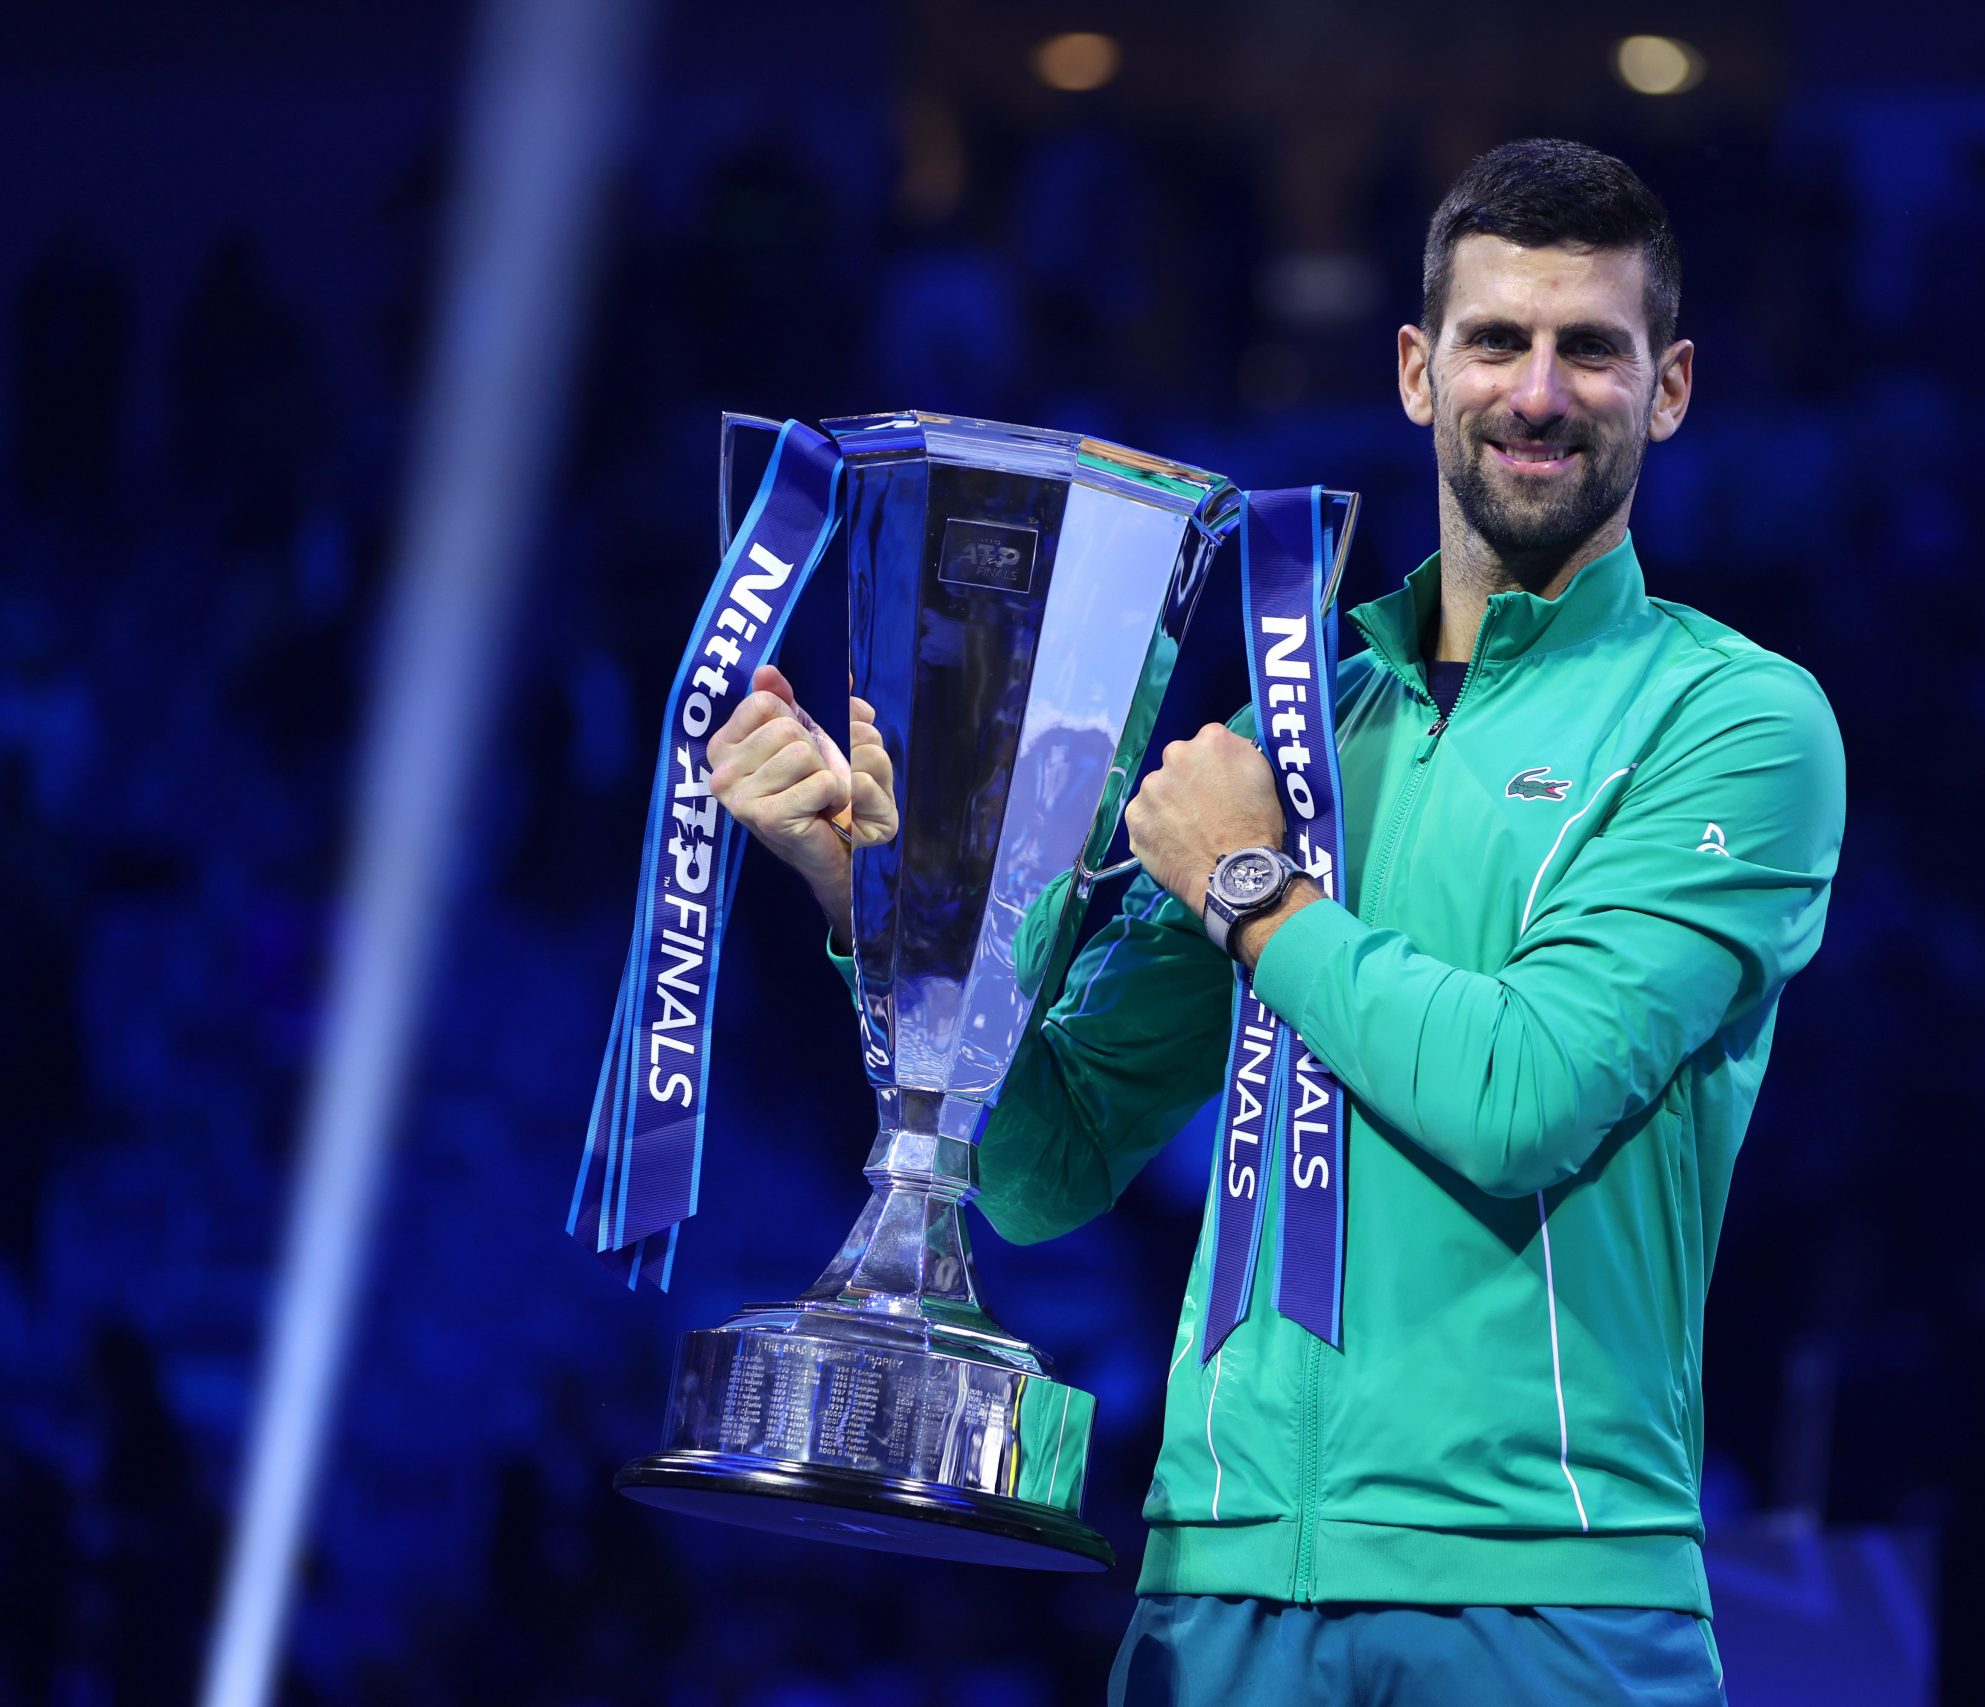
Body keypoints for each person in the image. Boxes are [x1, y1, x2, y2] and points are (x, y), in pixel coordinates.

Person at [706, 139, 1845, 1706]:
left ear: (1670, 389)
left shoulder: (1735, 724)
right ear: (1413, 372)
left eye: (1592, 347)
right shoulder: (1301, 732)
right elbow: (1041, 1169)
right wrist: (868, 897)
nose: (1536, 390)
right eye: (1493, 340)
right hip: (1218, 1588)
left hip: (1543, 1593)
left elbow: (1522, 1100)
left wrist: (1251, 892)